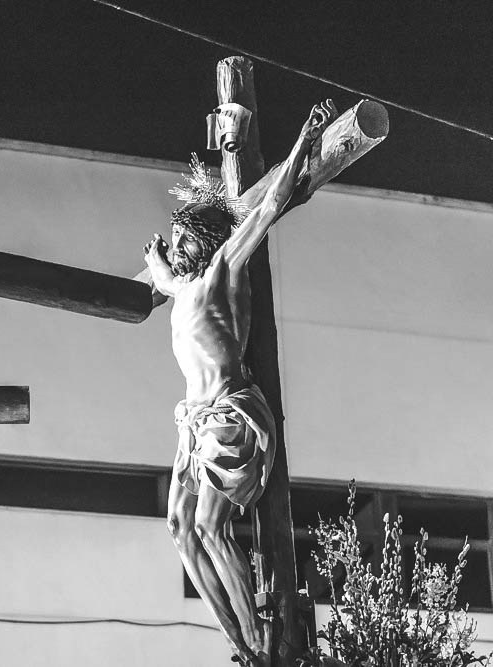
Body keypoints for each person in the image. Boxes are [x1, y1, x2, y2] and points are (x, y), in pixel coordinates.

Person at [143, 99, 338, 666]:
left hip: (231, 416)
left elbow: (269, 205)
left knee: (209, 525)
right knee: (180, 530)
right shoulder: (183, 289)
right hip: (195, 423)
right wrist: (158, 269)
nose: (173, 249)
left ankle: (259, 638)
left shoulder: (225, 268)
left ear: (200, 242)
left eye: (180, 242)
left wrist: (306, 137)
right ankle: (236, 636)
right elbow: (172, 283)